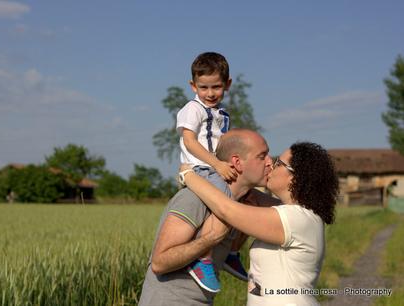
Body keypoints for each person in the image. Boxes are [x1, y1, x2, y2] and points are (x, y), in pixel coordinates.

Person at [181, 142, 339, 306]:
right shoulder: (302, 215)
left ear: (294, 176)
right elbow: (248, 194)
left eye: (278, 163)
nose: (271, 164)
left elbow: (227, 210)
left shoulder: (295, 218)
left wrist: (188, 174)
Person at [138, 129, 278, 306]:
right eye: (262, 156)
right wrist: (211, 238)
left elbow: (286, 208)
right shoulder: (194, 198)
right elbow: (159, 263)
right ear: (237, 162)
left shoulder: (239, 203)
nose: (269, 162)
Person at [176, 52, 246, 292]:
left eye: (216, 86)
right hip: (200, 168)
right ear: (193, 86)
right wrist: (217, 164)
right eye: (203, 87)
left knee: (247, 194)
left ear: (227, 84)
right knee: (223, 201)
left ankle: (230, 250)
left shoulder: (221, 113)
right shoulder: (193, 109)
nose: (210, 93)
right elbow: (189, 141)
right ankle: (202, 257)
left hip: (216, 166)